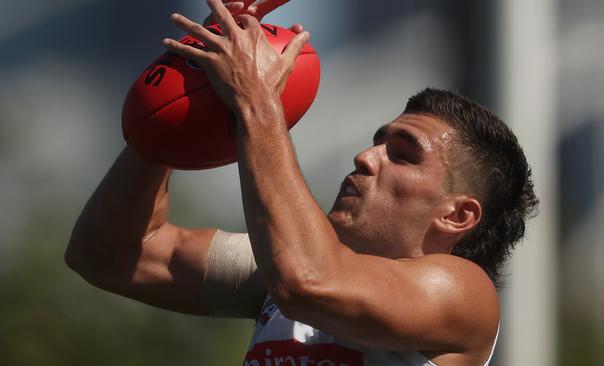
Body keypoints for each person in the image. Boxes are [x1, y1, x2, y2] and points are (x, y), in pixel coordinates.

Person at [65, 1, 538, 365]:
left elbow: (309, 280)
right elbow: (110, 253)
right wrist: (178, 104)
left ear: (457, 215)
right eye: (378, 142)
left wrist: (256, 100)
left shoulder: (461, 291)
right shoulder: (279, 271)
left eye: (404, 154)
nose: (366, 156)